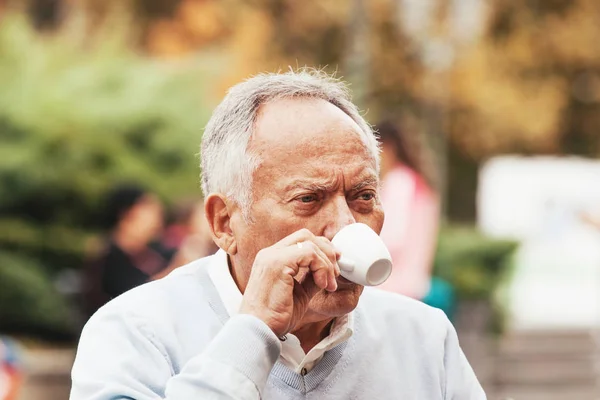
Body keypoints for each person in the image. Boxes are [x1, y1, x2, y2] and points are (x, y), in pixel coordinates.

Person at [70, 70, 486, 399]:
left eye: (362, 196)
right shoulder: (136, 331)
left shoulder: (423, 338)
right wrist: (253, 331)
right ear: (224, 223)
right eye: (308, 199)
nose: (346, 225)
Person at [376, 121, 455, 317]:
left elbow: (393, 237)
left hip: (393, 286)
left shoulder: (399, 182)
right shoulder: (418, 183)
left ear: (388, 147)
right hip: (416, 283)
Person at [81, 184, 181, 319]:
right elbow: (131, 298)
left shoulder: (153, 253)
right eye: (149, 207)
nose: (159, 215)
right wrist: (178, 267)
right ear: (127, 214)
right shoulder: (106, 260)